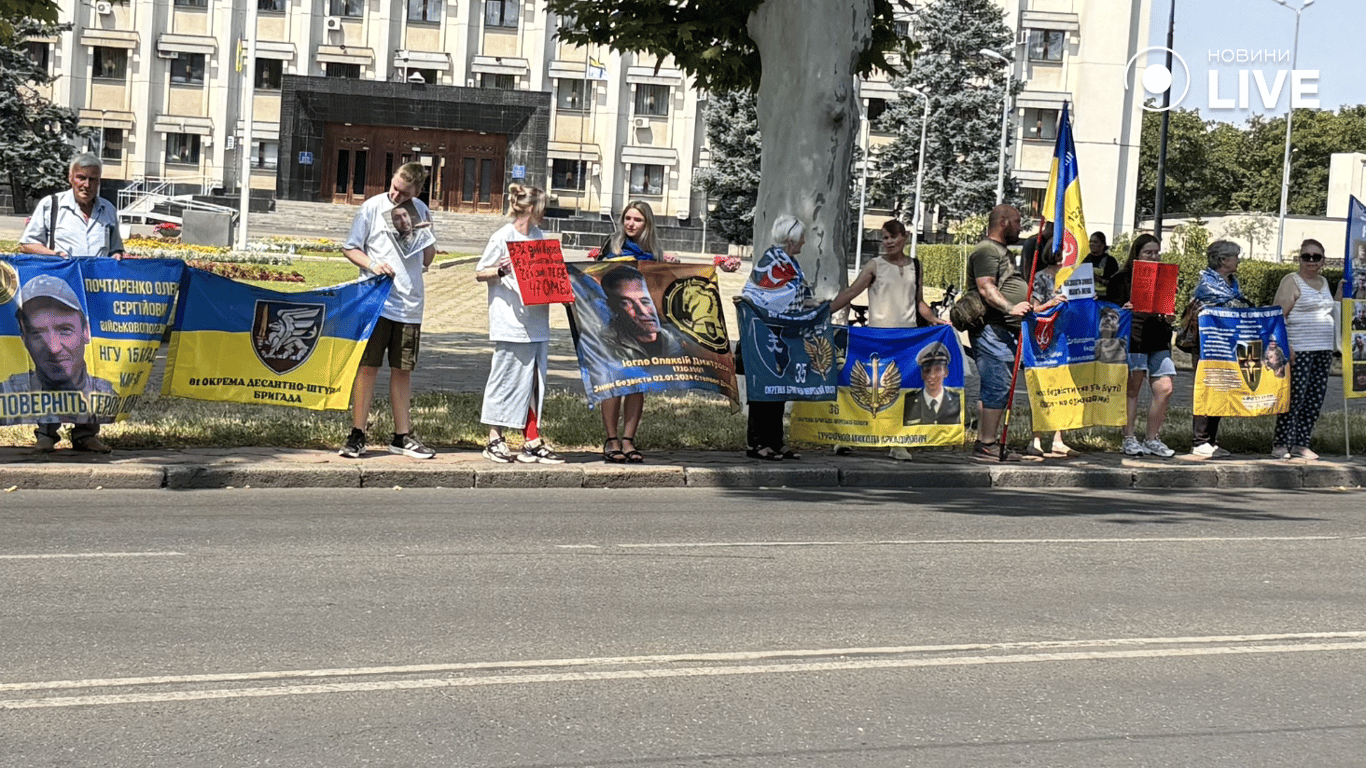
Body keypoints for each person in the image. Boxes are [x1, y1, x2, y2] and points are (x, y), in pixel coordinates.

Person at [16, 153, 125, 452]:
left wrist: (116, 258)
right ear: (71, 177)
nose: (87, 184)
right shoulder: (52, 206)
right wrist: (54, 257)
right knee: (53, 360)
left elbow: (117, 249)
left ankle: (86, 433)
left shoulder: (108, 211)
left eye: (93, 179)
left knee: (90, 365)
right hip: (57, 298)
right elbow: (27, 243)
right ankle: (47, 433)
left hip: (94, 300)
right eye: (82, 177)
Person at [337, 162, 438, 460]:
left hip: (409, 304)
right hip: (375, 300)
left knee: (402, 369)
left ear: (417, 192)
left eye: (403, 192)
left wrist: (427, 235)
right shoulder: (371, 207)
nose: (395, 194)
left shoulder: (420, 210)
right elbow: (350, 247)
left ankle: (401, 436)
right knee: (367, 367)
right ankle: (358, 433)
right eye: (393, 186)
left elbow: (427, 259)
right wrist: (372, 265)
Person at [831, 218, 950, 460]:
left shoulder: (915, 265)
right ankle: (846, 437)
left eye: (893, 237)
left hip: (907, 339)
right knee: (866, 387)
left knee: (903, 389)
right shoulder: (874, 265)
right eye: (885, 237)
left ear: (904, 237)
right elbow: (852, 291)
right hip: (877, 337)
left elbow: (919, 301)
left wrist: (934, 319)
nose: (888, 242)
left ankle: (897, 442)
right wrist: (825, 312)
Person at [475, 183, 565, 464]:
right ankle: (494, 437)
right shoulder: (503, 236)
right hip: (510, 320)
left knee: (534, 381)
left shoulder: (538, 236)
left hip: (537, 320)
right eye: (541, 207)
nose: (545, 212)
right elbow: (480, 272)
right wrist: (501, 270)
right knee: (505, 377)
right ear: (529, 209)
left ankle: (532, 438)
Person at [591, 201, 678, 463]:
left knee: (637, 383)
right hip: (612, 326)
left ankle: (629, 440)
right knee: (614, 382)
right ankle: (611, 439)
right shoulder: (612, 245)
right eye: (627, 218)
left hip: (643, 329)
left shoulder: (655, 255)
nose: (630, 224)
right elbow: (595, 280)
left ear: (647, 224)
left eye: (637, 220)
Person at [0, 275, 117, 452]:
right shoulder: (8, 393)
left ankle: (85, 435)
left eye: (65, 330)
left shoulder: (108, 394)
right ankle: (46, 434)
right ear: (24, 337)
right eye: (38, 334)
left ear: (85, 332)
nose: (53, 348)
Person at [741, 214, 814, 461]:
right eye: (802, 237)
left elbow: (795, 296)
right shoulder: (772, 262)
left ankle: (775, 439)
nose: (804, 241)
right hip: (765, 334)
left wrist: (816, 304)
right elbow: (758, 295)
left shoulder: (790, 263)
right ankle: (758, 442)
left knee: (780, 388)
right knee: (764, 389)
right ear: (791, 239)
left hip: (786, 334)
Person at [967, 205, 1031, 462]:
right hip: (992, 329)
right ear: (1003, 222)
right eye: (1017, 222)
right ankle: (987, 445)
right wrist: (1010, 307)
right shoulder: (986, 250)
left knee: (996, 387)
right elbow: (986, 288)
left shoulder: (1002, 251)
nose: (1020, 227)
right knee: (997, 385)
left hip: (1004, 330)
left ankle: (987, 440)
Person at [1108, 234, 1177, 458]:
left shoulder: (1164, 278)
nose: (1154, 256)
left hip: (1158, 338)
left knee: (1165, 387)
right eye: (1148, 252)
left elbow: (1167, 312)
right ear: (1136, 253)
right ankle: (1129, 437)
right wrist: (1123, 309)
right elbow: (1109, 311)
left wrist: (1169, 318)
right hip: (1134, 338)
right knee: (1132, 389)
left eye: (1157, 252)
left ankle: (1152, 438)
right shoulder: (1122, 278)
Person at [1272, 238, 1336, 460]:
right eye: (1306, 256)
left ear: (1323, 261)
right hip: (1300, 348)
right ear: (1299, 259)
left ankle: (1302, 442)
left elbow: (1331, 308)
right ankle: (1281, 443)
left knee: (1314, 398)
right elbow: (1279, 315)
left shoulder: (1325, 281)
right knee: (1294, 398)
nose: (1311, 261)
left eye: (1316, 257)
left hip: (1323, 349)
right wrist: (1285, 345)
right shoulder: (1292, 281)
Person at [1189, 240, 1251, 459]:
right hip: (1208, 344)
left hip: (1227, 345)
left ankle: (1211, 440)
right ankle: (1199, 440)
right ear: (1223, 260)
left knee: (1221, 390)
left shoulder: (1233, 283)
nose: (1239, 260)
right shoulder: (1207, 283)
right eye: (1235, 256)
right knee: (1206, 388)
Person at [1027, 240, 1077, 458]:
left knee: (1064, 389)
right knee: (1042, 388)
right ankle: (1036, 439)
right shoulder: (1041, 277)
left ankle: (1059, 439)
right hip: (1045, 340)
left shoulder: (1074, 277)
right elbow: (1034, 308)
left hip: (1067, 339)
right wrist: (1052, 302)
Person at [901, 342, 961, 426]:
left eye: (937, 370)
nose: (932, 376)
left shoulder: (956, 400)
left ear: (946, 372)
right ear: (922, 374)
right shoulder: (909, 401)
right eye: (927, 371)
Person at [1081, 231, 1120, 300]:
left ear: (1103, 245)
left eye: (1095, 242)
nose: (1091, 244)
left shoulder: (1110, 261)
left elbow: (1116, 285)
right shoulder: (1086, 259)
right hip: (1087, 299)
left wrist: (1099, 279)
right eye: (1090, 242)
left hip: (1104, 301)